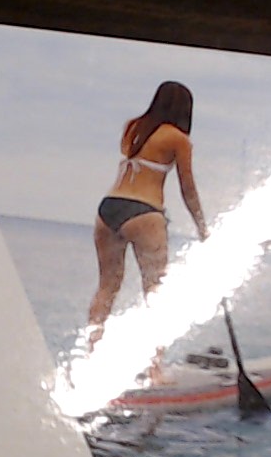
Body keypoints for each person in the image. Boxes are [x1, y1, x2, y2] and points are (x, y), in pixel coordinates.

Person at [88, 82, 208, 353]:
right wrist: (202, 227)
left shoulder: (133, 127)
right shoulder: (178, 139)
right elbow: (187, 188)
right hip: (144, 211)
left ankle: (91, 351)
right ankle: (155, 366)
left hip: (109, 207)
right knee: (156, 290)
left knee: (107, 286)